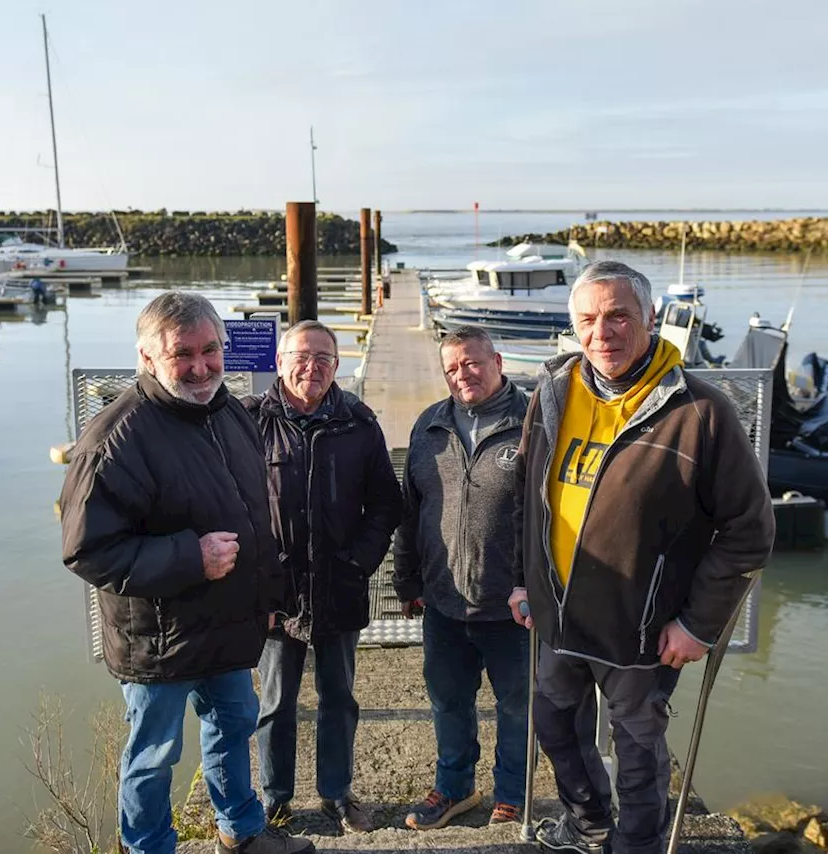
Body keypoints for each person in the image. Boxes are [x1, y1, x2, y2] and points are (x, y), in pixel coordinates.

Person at [508, 261, 775, 854]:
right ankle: (589, 823)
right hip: (556, 616)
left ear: (650, 319)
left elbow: (749, 530)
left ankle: (636, 846)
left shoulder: (702, 411)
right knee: (554, 727)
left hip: (641, 630)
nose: (601, 331)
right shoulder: (551, 393)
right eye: (587, 319)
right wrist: (520, 581)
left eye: (617, 315)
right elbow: (527, 499)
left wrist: (698, 625)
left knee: (638, 757)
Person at [59, 292, 314, 854]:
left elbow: (255, 517)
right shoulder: (116, 438)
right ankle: (148, 847)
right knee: (154, 755)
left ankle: (241, 832)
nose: (200, 368)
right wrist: (189, 557)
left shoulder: (229, 413)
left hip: (228, 622)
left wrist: (266, 597)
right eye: (183, 355)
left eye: (209, 350)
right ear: (148, 358)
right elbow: (87, 550)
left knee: (234, 725)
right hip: (160, 637)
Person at [241, 320, 402, 835]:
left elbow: (385, 504)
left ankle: (337, 793)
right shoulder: (248, 421)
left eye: (323, 358)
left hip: (339, 587)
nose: (311, 366)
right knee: (275, 702)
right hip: (275, 593)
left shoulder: (358, 422)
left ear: (337, 365)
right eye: (301, 355)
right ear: (281, 360)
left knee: (339, 698)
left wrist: (358, 561)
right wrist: (253, 577)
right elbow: (227, 504)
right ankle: (276, 799)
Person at [392, 325, 532, 830]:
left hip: (514, 606)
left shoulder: (533, 421)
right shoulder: (431, 425)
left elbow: (555, 515)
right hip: (444, 602)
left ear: (496, 360)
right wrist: (406, 581)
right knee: (448, 701)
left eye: (471, 363)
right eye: (451, 368)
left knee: (518, 707)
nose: (461, 375)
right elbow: (411, 510)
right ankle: (455, 788)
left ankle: (513, 793)